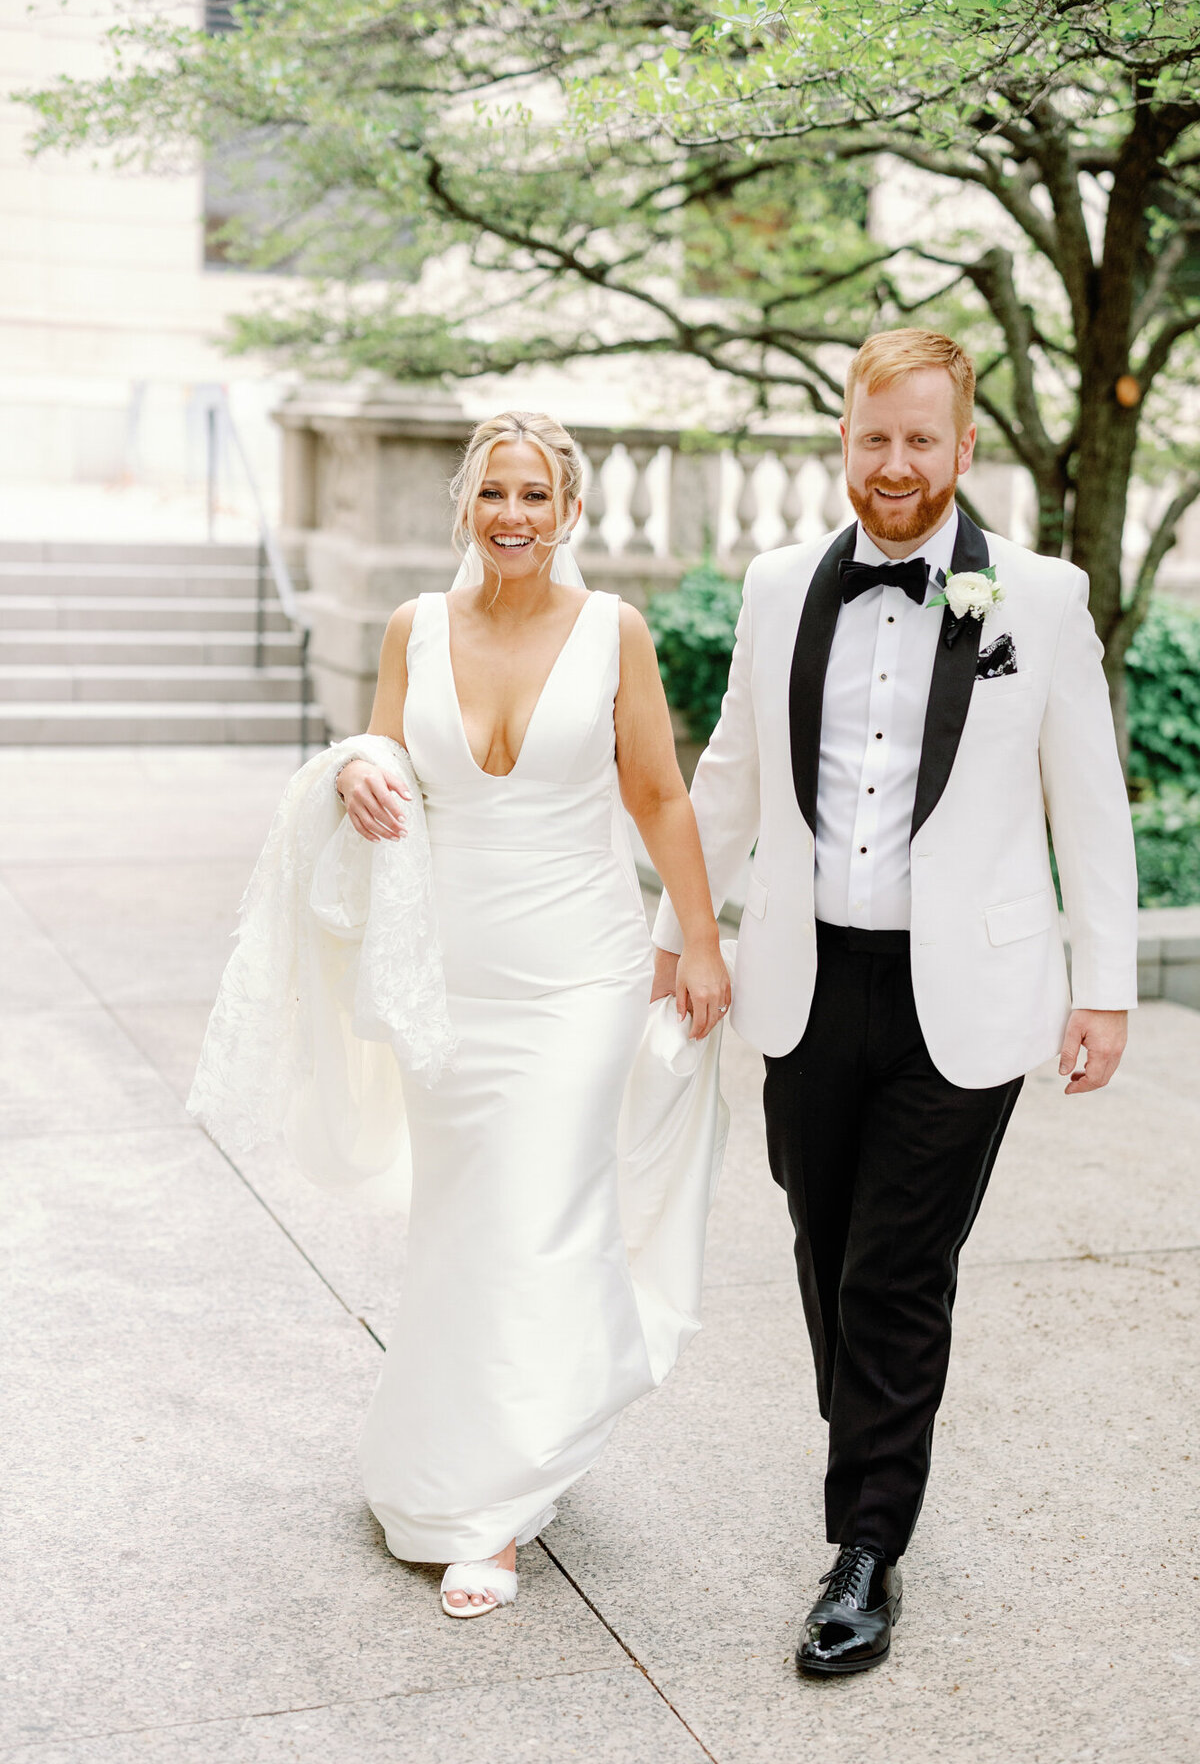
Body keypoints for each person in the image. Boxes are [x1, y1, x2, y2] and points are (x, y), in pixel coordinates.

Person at [651, 328, 1138, 1675]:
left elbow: (1088, 801)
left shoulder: (1036, 598)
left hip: (967, 996)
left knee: (896, 1269)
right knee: (823, 1241)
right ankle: (873, 1441)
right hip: (807, 981)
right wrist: (681, 932)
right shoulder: (772, 587)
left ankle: (867, 1546)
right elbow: (732, 775)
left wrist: (1104, 987)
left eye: (923, 440)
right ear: (845, 440)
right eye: (876, 437)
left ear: (964, 448)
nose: (897, 464)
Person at [332, 411, 731, 1617]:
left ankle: (495, 1511)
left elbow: (657, 792)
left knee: (540, 1211)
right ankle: (449, 1449)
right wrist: (354, 764)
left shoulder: (615, 634)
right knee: (467, 1222)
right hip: (454, 978)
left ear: (569, 513)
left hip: (579, 977)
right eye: (495, 493)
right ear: (469, 504)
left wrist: (700, 938)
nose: (514, 516)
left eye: (537, 497)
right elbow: (381, 756)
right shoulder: (414, 629)